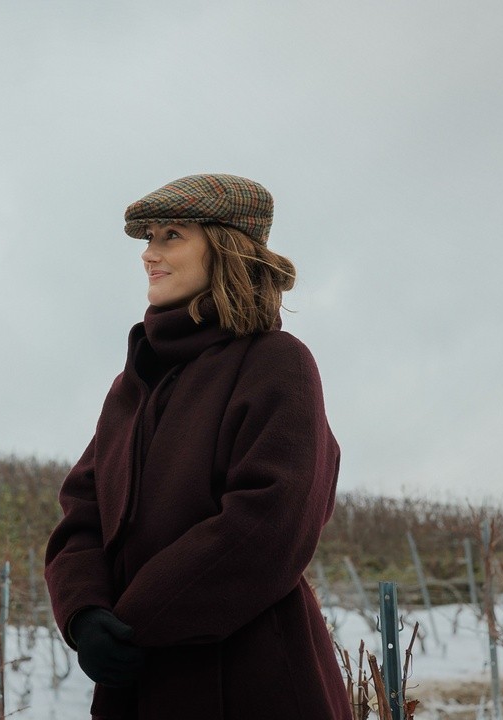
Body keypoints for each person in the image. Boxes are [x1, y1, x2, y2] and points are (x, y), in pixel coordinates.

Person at [44, 174, 349, 718]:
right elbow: (84, 511)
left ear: (225, 247)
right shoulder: (133, 383)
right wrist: (85, 614)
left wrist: (135, 621)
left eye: (172, 236)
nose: (149, 254)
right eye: (149, 238)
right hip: (136, 680)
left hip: (252, 679)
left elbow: (270, 522)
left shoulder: (276, 362)